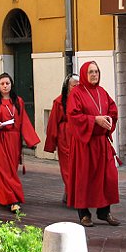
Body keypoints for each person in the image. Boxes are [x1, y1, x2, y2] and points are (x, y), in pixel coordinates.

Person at [67, 61, 120, 227]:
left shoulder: (102, 91)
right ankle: (84, 214)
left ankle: (104, 212)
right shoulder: (76, 93)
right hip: (85, 144)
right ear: (84, 73)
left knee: (107, 177)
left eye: (96, 71)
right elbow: (73, 116)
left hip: (101, 143)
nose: (94, 75)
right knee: (85, 179)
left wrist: (109, 119)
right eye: (90, 72)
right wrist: (94, 120)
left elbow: (113, 109)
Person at [0, 73, 40, 213]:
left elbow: (24, 121)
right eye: (2, 84)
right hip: (0, 139)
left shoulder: (18, 101)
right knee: (5, 170)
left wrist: (31, 140)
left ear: (11, 84)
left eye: (7, 83)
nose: (5, 86)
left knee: (11, 170)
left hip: (14, 141)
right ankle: (13, 199)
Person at [44, 73, 79, 204]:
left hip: (79, 137)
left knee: (79, 168)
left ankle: (69, 193)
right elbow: (53, 122)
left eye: (78, 85)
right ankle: (73, 196)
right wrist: (52, 141)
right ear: (68, 86)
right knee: (68, 168)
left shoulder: (83, 99)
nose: (76, 87)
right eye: (74, 85)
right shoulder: (59, 101)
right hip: (65, 138)